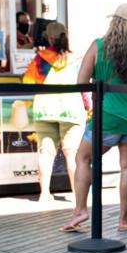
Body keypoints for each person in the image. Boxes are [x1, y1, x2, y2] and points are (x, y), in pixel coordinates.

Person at [60, 4, 127, 233]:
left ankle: (80, 210)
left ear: (114, 22)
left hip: (107, 116)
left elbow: (81, 81)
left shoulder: (99, 46)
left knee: (82, 158)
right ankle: (123, 220)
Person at [22, 21, 85, 204]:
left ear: (48, 37)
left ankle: (44, 194)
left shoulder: (40, 59)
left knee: (46, 152)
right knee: (72, 153)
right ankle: (76, 195)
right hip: (71, 109)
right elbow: (85, 84)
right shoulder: (76, 59)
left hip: (45, 109)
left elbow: (28, 82)